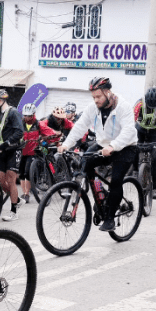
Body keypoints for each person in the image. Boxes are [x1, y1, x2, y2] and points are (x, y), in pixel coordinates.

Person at [58, 76, 138, 232]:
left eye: (98, 96)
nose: (95, 100)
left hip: (126, 146)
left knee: (116, 180)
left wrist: (113, 146)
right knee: (85, 163)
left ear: (108, 92)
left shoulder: (123, 106)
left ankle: (110, 219)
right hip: (103, 144)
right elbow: (80, 126)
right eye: (93, 97)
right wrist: (66, 144)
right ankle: (103, 195)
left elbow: (129, 131)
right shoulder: (92, 108)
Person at [0, 89, 24, 221]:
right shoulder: (0, 115)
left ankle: (14, 211)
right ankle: (17, 200)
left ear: (0, 101)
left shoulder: (13, 112)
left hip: (13, 150)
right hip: (2, 151)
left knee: (11, 180)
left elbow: (19, 132)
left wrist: (7, 143)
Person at [133, 87, 156, 200]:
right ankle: (135, 171)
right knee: (134, 148)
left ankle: (154, 188)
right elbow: (131, 119)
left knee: (154, 158)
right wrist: (129, 134)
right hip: (140, 129)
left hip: (155, 131)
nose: (151, 108)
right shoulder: (139, 104)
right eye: (150, 106)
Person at [18, 103, 58, 203]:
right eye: (25, 115)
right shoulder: (20, 124)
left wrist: (48, 138)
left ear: (33, 115)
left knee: (27, 172)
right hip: (23, 151)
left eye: (29, 116)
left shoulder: (38, 124)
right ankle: (24, 193)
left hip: (34, 152)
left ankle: (27, 194)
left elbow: (50, 133)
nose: (27, 118)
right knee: (21, 173)